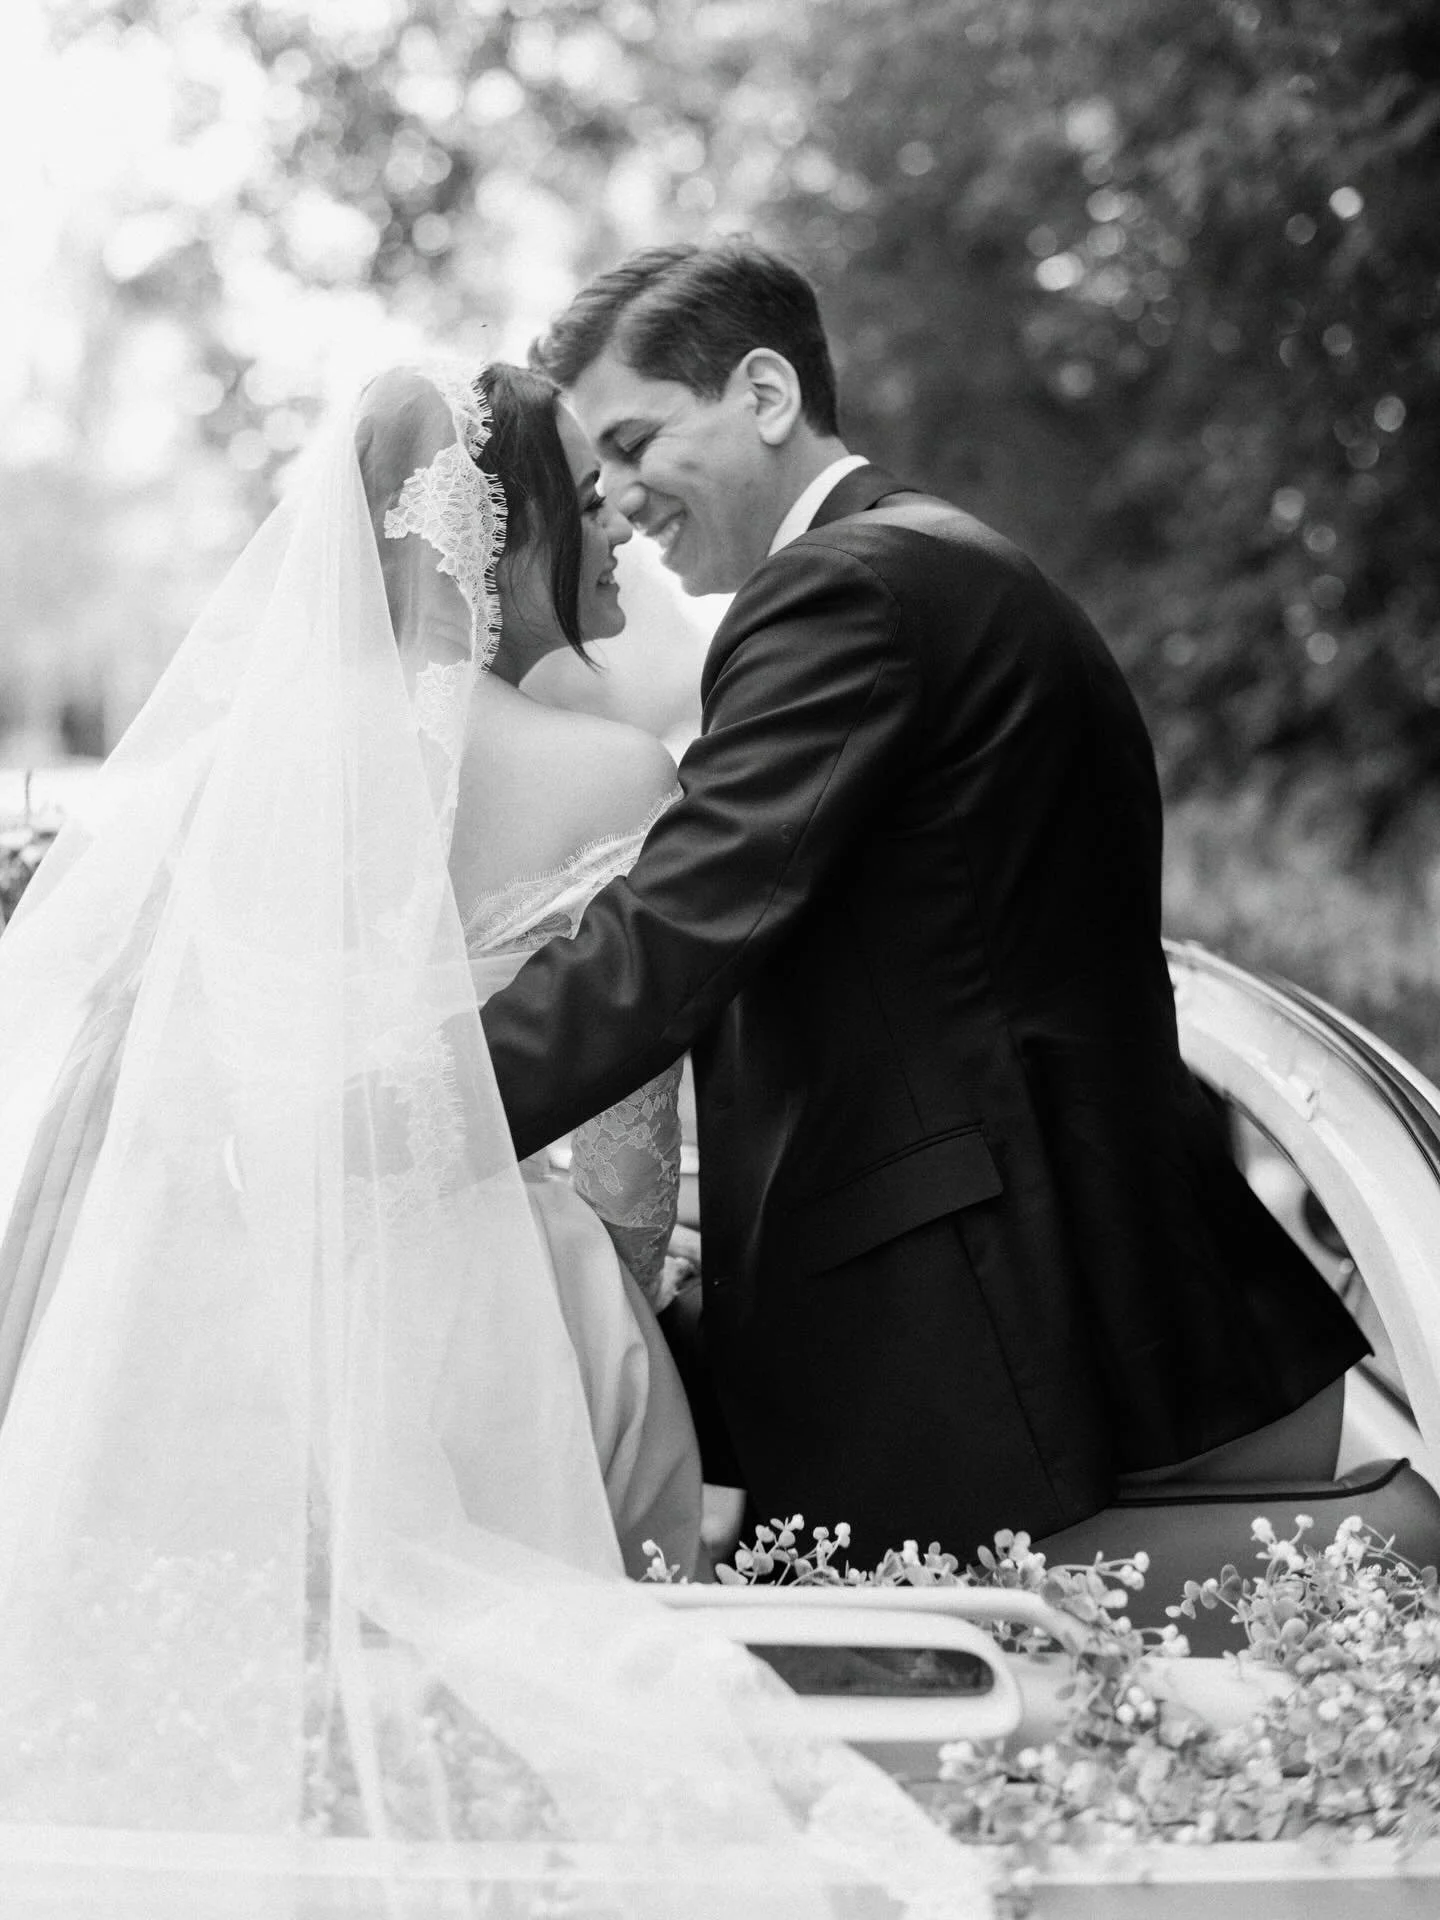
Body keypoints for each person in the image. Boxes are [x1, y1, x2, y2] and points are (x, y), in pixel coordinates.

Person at [0, 360, 967, 1916]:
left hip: (232, 1318)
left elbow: (149, 1090)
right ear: (502, 540)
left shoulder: (231, 777)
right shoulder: (610, 774)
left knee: (266, 1736)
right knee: (532, 1760)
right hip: (495, 1310)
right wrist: (625, 1329)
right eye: (585, 501)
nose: (616, 530)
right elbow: (632, 1163)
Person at [479, 239, 1370, 1570]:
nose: (612, 497)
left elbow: (677, 929)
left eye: (634, 441)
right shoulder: (927, 560)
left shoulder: (846, 589)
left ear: (765, 394)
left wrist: (425, 1106)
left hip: (1023, 1333)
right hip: (1119, 1287)